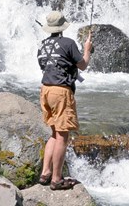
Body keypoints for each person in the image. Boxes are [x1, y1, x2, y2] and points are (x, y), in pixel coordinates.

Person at [37, 11, 92, 191]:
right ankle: (57, 179)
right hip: (61, 91)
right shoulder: (68, 43)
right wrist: (87, 49)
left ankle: (45, 173)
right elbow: (82, 65)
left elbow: (45, 66)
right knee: (63, 135)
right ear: (62, 27)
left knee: (54, 132)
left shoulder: (43, 45)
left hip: (45, 89)